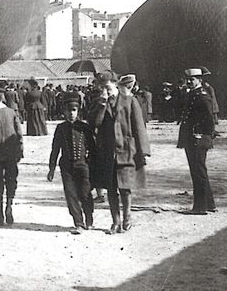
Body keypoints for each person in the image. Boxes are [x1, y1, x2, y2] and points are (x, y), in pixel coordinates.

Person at [88, 71, 151, 234]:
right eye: (101, 87)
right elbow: (94, 123)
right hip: (107, 152)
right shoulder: (99, 102)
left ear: (115, 84)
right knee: (111, 188)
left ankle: (127, 217)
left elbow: (139, 127)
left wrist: (143, 151)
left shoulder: (130, 100)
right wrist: (102, 104)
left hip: (126, 150)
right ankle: (115, 221)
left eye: (107, 87)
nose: (104, 90)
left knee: (125, 187)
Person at [48, 92, 96, 234]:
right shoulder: (60, 128)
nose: (71, 114)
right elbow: (55, 149)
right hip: (67, 167)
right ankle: (78, 223)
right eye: (68, 111)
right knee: (70, 194)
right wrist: (51, 168)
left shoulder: (84, 127)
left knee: (85, 193)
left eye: (74, 110)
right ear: (64, 111)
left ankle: (89, 218)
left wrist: (91, 165)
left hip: (83, 165)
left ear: (78, 110)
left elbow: (92, 148)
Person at [177, 68, 218, 214]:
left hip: (198, 138)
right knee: (199, 171)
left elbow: (209, 118)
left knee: (198, 171)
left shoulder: (202, 95)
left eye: (192, 80)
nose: (189, 82)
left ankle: (200, 207)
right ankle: (209, 204)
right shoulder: (193, 94)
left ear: (199, 80)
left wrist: (203, 133)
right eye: (188, 79)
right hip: (192, 137)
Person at [0, 86, 23, 226]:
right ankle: (9, 204)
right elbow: (19, 132)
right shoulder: (11, 112)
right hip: (11, 153)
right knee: (11, 180)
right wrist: (20, 149)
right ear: (2, 97)